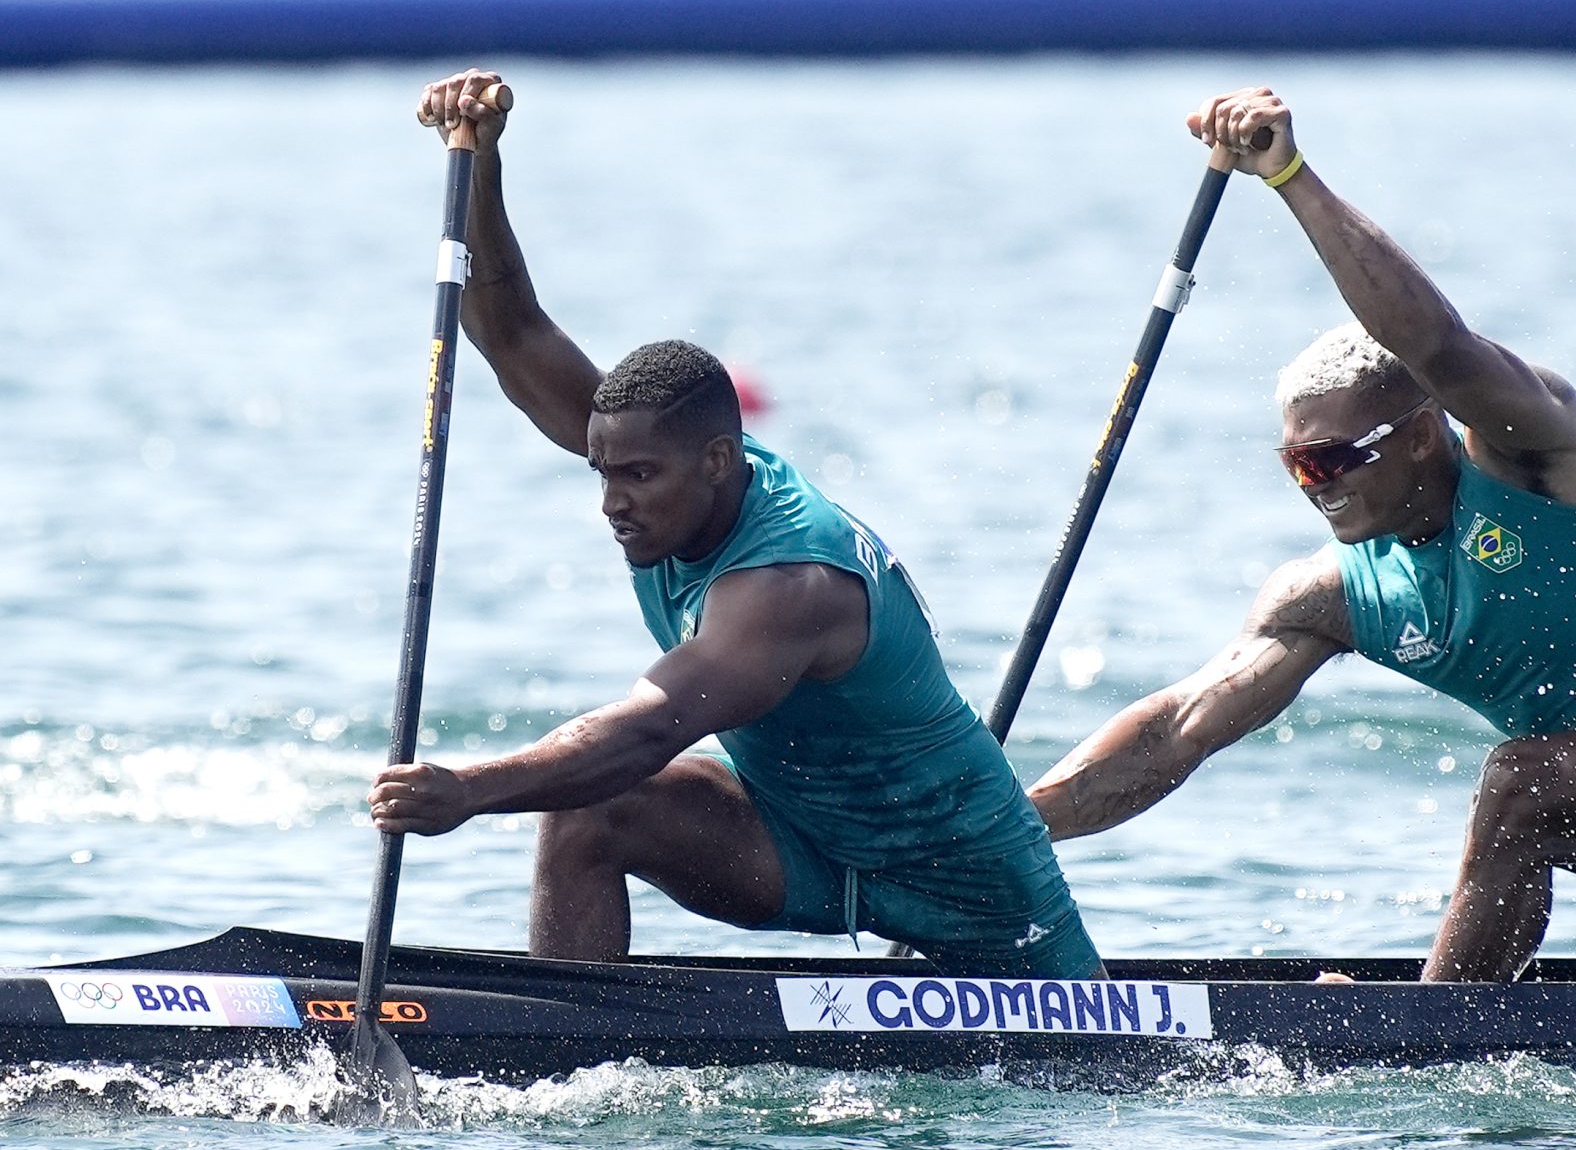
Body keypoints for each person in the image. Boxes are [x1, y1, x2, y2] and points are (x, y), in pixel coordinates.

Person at [1029, 86, 1576, 984]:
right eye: (1296, 465)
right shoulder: (1331, 595)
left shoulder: (1538, 464)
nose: (1317, 487)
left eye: (1333, 459)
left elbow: (1438, 346)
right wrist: (995, 824)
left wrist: (1290, 178)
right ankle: (1459, 1025)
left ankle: (1436, 1036)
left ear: (1423, 434)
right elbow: (1177, 732)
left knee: (1521, 782)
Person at [368, 70, 1100, 978]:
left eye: (636, 476)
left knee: (599, 772)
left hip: (980, 896)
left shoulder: (789, 583)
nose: (612, 501)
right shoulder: (666, 471)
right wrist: (480, 161)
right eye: (602, 471)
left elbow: (648, 731)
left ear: (719, 460)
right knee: (589, 814)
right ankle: (559, 1046)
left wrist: (467, 791)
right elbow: (512, 334)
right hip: (805, 846)